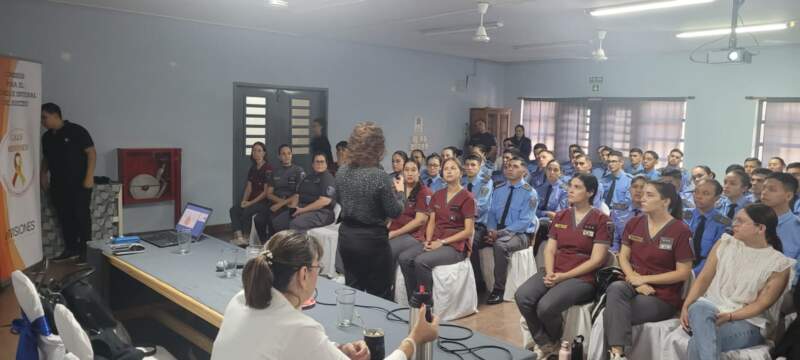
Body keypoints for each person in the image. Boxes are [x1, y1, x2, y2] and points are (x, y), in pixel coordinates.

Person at [211, 230, 440, 360]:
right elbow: (297, 340)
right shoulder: (298, 328)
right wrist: (413, 340)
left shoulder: (241, 299)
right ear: (303, 274)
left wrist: (337, 350)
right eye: (316, 268)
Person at [678, 204, 794, 360]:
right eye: (735, 220)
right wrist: (686, 306)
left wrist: (730, 316)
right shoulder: (724, 244)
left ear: (760, 228)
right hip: (709, 312)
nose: (734, 224)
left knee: (699, 341)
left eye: (740, 221)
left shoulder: (779, 264)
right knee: (699, 306)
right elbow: (703, 279)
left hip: (748, 322)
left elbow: (761, 305)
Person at [515, 174, 611, 358]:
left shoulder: (601, 220)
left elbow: (597, 260)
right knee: (523, 295)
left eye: (577, 187)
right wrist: (551, 273)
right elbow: (549, 250)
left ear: (590, 192)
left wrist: (563, 277)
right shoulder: (561, 215)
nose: (570, 190)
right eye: (570, 186)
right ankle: (546, 341)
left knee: (545, 306)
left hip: (583, 277)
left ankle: (554, 343)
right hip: (556, 268)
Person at [604, 180, 694, 360]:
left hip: (662, 295)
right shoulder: (634, 223)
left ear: (665, 201)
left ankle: (616, 353)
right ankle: (618, 354)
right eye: (642, 194)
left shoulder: (681, 230)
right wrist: (634, 279)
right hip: (633, 283)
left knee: (612, 313)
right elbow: (623, 256)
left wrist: (645, 280)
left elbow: (683, 273)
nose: (642, 198)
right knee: (615, 288)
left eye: (649, 195)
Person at [335, 122, 405, 299]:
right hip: (372, 241)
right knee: (379, 295)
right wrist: (401, 193)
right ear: (378, 147)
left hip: (347, 237)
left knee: (353, 290)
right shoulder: (379, 176)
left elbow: (339, 200)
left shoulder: (342, 171)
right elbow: (395, 211)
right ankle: (376, 328)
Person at [398, 158, 475, 302]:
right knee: (404, 258)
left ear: (460, 173)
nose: (449, 171)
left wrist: (442, 242)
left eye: (453, 168)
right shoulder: (437, 195)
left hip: (455, 246)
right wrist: (427, 241)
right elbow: (431, 221)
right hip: (434, 240)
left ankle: (426, 302)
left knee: (421, 261)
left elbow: (468, 231)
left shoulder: (467, 197)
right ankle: (414, 299)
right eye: (446, 169)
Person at [41, 103, 96, 262]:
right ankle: (71, 248)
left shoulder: (76, 131)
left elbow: (91, 153)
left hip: (79, 184)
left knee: (81, 216)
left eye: (44, 117)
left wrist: (89, 177)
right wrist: (42, 174)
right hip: (58, 184)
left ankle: (86, 251)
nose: (42, 121)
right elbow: (46, 158)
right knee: (65, 217)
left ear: (56, 115)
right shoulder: (47, 137)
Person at [483, 156, 538, 305]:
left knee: (500, 245)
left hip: (520, 235)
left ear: (524, 171)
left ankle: (498, 289)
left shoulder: (530, 193)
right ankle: (479, 283)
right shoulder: (499, 189)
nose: (509, 169)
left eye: (514, 166)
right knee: (473, 238)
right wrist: (491, 230)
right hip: (497, 230)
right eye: (507, 166)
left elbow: (524, 222)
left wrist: (499, 234)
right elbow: (492, 213)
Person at [388, 159, 432, 268]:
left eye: (413, 170)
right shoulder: (398, 189)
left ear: (419, 172)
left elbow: (419, 221)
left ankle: (386, 284)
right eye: (406, 170)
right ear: (402, 172)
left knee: (386, 248)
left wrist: (394, 233)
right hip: (394, 230)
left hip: (413, 235)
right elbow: (391, 213)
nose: (410, 173)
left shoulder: (424, 192)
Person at [760, 173, 800, 288]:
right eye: (764, 188)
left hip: (780, 288)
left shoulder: (797, 228)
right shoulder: (751, 220)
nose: (764, 192)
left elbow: (795, 273)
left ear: (788, 196)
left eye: (771, 189)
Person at [229, 142, 273, 245]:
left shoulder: (268, 168)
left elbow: (266, 192)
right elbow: (249, 188)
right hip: (252, 201)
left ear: (264, 153)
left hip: (263, 202)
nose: (256, 153)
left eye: (259, 150)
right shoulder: (253, 168)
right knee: (234, 210)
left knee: (247, 211)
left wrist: (250, 203)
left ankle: (247, 238)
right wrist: (244, 201)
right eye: (254, 150)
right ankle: (239, 238)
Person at [281, 153, 337, 232]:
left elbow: (324, 201)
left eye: (322, 162)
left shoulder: (327, 178)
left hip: (322, 212)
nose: (319, 164)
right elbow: (298, 195)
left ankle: (301, 244)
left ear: (326, 164)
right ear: (313, 164)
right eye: (317, 162)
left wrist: (302, 210)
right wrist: (293, 210)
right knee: (279, 221)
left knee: (296, 224)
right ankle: (283, 243)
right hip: (304, 208)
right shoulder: (308, 177)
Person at [685, 179, 730, 275]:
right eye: (696, 192)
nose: (698, 196)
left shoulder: (722, 223)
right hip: (680, 264)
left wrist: (693, 273)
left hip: (705, 269)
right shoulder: (683, 215)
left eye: (705, 193)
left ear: (717, 198)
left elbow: (715, 254)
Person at [463, 154, 493, 291]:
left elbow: (482, 207)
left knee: (471, 243)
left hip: (479, 224)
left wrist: (461, 211)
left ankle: (477, 282)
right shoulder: (461, 182)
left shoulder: (486, 182)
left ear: (480, 166)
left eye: (473, 165)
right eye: (467, 165)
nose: (469, 168)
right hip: (461, 222)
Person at [262, 144, 306, 234]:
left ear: (291, 155)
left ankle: (278, 244)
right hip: (276, 201)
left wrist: (282, 204)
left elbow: (299, 193)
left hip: (291, 204)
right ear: (279, 156)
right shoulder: (275, 171)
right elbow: (269, 194)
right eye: (283, 154)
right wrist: (280, 203)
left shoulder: (298, 170)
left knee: (276, 221)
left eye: (289, 153)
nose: (286, 156)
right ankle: (265, 243)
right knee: (259, 219)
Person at [610, 175, 647, 251]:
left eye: (642, 187)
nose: (638, 190)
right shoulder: (618, 210)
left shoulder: (653, 213)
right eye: (635, 187)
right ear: (629, 189)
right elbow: (613, 240)